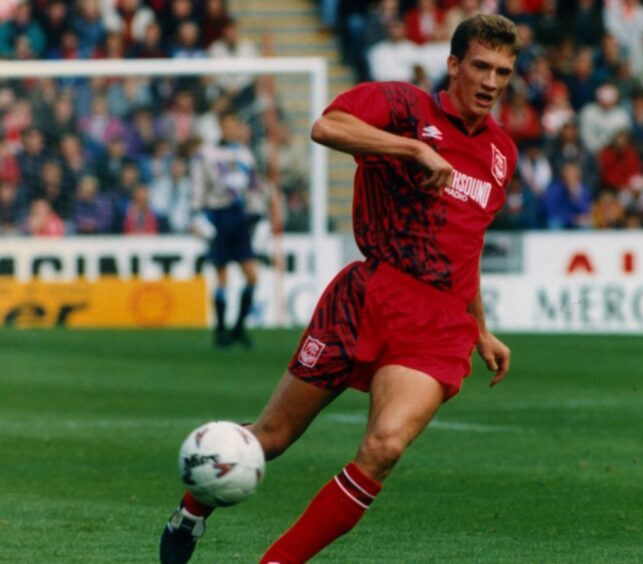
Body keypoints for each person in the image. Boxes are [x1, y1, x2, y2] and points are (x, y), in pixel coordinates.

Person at [160, 14, 519, 563]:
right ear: (453, 65)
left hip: (438, 324)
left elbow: (464, 247)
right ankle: (191, 508)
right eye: (481, 66)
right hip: (366, 297)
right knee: (272, 437)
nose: (491, 82)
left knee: (383, 447)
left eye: (503, 71)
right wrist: (410, 150)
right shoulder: (404, 107)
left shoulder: (501, 156)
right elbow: (327, 127)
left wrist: (482, 329)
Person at [190, 111, 271, 348]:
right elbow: (198, 185)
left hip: (240, 217)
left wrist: (258, 214)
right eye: (226, 125)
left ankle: (239, 327)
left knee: (251, 275)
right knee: (222, 276)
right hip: (218, 215)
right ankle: (221, 330)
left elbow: (254, 187)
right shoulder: (206, 154)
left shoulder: (245, 155)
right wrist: (197, 214)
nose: (230, 129)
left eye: (234, 125)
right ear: (220, 127)